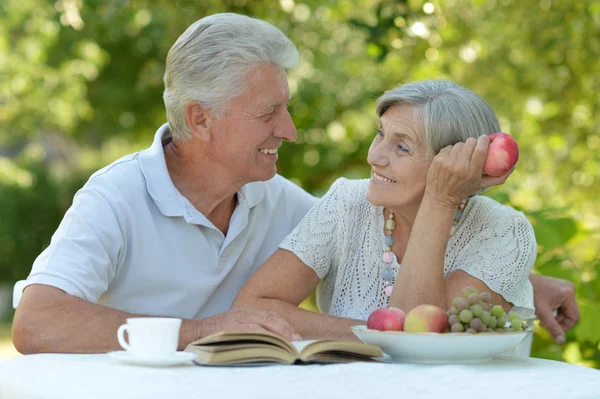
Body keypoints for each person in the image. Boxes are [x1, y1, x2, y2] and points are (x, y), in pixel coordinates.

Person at [12, 14, 577, 354]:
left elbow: (388, 232)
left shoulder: (277, 198)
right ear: (201, 118)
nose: (290, 129)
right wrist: (200, 329)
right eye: (268, 114)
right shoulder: (114, 197)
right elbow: (36, 322)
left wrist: (521, 275)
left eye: (286, 108)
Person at [233, 80, 579, 343]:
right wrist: (376, 335)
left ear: (457, 164)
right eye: (380, 134)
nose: (375, 157)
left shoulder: (505, 233)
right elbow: (252, 309)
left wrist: (440, 201)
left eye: (401, 146)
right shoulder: (346, 204)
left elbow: (420, 339)